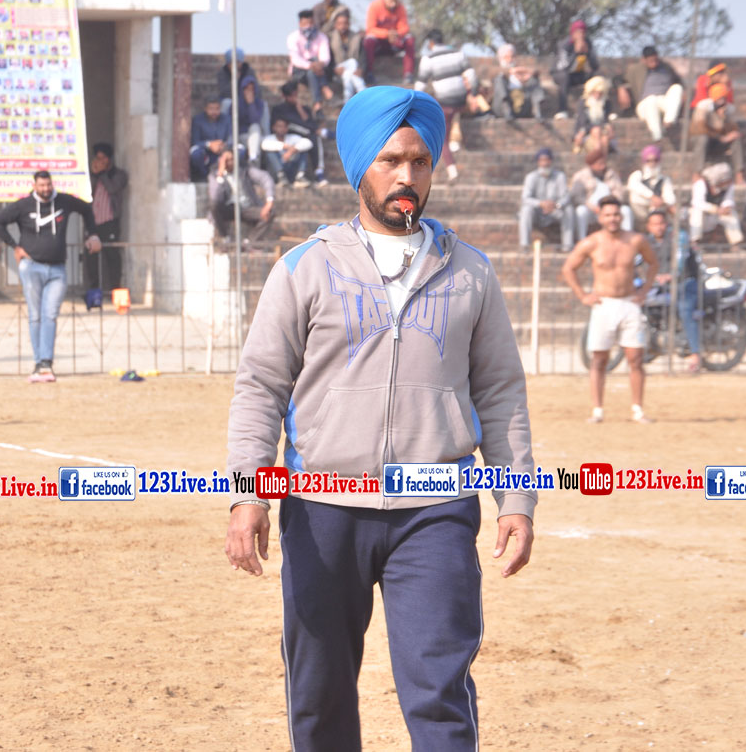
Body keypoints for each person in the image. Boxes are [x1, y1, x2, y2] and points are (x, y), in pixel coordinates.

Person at [224, 86, 536, 751]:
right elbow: (261, 386)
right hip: (322, 508)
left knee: (440, 692)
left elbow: (501, 391)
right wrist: (248, 491)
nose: (406, 176)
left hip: (437, 511)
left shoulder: (471, 272)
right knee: (319, 693)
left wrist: (517, 497)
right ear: (361, 166)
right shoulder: (304, 267)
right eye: (391, 160)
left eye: (420, 162)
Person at [0, 172, 97, 383]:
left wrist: (92, 234)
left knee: (51, 314)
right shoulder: (23, 205)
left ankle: (46, 362)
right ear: (35, 185)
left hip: (58, 269)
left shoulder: (64, 201)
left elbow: (87, 209)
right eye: (41, 185)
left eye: (48, 185)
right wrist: (14, 246)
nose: (46, 189)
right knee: (35, 315)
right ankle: (39, 361)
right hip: (31, 267)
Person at [562, 195, 658, 423]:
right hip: (603, 304)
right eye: (607, 215)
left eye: (615, 214)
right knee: (599, 359)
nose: (612, 218)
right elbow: (569, 268)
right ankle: (597, 410)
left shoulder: (635, 240)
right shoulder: (592, 242)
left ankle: (637, 409)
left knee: (636, 357)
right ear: (600, 217)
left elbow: (653, 262)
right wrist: (583, 295)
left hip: (629, 302)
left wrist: (644, 290)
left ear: (621, 216)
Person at [644, 210, 702, 373]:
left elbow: (680, 260)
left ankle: (696, 354)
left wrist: (671, 275)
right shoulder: (647, 242)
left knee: (684, 310)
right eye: (655, 224)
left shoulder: (679, 237)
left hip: (686, 282)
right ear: (648, 227)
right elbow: (638, 259)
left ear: (667, 224)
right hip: (662, 284)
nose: (659, 227)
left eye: (661, 223)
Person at [415, 28, 474, 183]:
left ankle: (452, 170)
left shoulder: (428, 58)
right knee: (453, 118)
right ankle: (456, 139)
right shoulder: (458, 54)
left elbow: (420, 85)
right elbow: (471, 75)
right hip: (461, 100)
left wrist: (414, 104)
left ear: (431, 43)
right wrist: (472, 94)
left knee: (442, 139)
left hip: (445, 102)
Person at [206, 148, 275, 248]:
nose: (230, 163)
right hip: (228, 208)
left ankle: (249, 242)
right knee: (214, 206)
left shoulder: (244, 170)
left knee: (270, 213)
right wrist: (220, 175)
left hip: (246, 208)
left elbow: (265, 178)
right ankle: (225, 237)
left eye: (232, 159)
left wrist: (269, 201)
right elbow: (215, 196)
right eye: (226, 160)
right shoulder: (214, 175)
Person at [86, 142, 127, 295]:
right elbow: (88, 191)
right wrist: (94, 174)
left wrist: (102, 173)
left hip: (109, 222)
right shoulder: (94, 176)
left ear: (109, 159)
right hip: (93, 223)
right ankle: (94, 292)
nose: (100, 162)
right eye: (98, 158)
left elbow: (112, 188)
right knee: (91, 258)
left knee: (112, 257)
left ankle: (115, 290)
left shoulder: (118, 174)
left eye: (103, 158)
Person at [569, 148, 633, 246]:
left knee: (626, 210)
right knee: (581, 211)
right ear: (591, 164)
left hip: (610, 208)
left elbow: (619, 193)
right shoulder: (581, 176)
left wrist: (610, 205)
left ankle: (627, 242)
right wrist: (592, 207)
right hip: (591, 210)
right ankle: (582, 241)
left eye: (603, 163)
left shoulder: (611, 174)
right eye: (599, 163)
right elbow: (577, 197)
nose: (602, 166)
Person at [622, 45, 684, 142]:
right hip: (645, 105)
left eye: (656, 60)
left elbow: (679, 82)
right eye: (651, 61)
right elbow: (619, 79)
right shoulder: (635, 69)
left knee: (677, 88)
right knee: (651, 100)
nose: (654, 63)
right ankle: (657, 135)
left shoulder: (666, 68)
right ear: (644, 60)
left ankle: (669, 121)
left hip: (663, 101)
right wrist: (621, 89)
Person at [272, 80, 327, 186]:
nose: (294, 98)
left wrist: (299, 109)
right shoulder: (279, 109)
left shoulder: (304, 109)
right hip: (289, 137)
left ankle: (319, 171)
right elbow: (279, 126)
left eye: (295, 95)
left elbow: (311, 124)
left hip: (306, 137)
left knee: (315, 137)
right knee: (309, 132)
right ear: (285, 96)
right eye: (291, 96)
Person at [517, 148, 570, 251]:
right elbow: (525, 198)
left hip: (555, 210)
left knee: (569, 210)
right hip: (537, 211)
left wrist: (556, 205)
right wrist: (541, 204)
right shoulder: (531, 177)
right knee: (526, 209)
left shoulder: (560, 176)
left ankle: (568, 246)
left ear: (551, 161)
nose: (544, 163)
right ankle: (524, 245)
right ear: (538, 162)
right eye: (542, 160)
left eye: (547, 160)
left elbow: (566, 197)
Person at [362, 0, 416, 84]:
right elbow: (370, 29)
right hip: (380, 42)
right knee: (368, 40)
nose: (394, 4)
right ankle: (369, 73)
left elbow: (404, 27)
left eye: (395, 0)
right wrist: (386, 34)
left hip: (394, 41)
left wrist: (396, 34)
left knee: (409, 39)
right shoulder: (374, 6)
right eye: (391, 0)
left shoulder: (400, 7)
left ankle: (408, 74)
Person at [690, 82, 744, 179]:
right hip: (703, 140)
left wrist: (724, 118)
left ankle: (739, 173)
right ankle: (697, 173)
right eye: (719, 99)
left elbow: (733, 130)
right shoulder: (703, 106)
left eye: (723, 98)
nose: (721, 101)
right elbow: (699, 129)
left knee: (736, 138)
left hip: (718, 142)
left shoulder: (728, 109)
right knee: (703, 138)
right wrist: (721, 137)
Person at [286, 9, 333, 110]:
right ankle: (325, 88)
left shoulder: (321, 37)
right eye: (305, 23)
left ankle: (317, 104)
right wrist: (310, 65)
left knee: (312, 72)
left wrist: (318, 65)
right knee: (312, 70)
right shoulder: (293, 37)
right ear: (300, 23)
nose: (308, 26)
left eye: (310, 23)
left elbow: (325, 57)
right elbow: (295, 59)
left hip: (317, 69)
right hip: (299, 70)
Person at [552, 19, 600, 118]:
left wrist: (588, 53)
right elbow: (563, 67)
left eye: (583, 33)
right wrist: (575, 53)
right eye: (578, 32)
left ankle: (594, 110)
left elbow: (595, 66)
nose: (581, 35)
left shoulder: (588, 43)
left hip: (577, 74)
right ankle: (562, 110)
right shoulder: (564, 45)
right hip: (560, 74)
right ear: (573, 33)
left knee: (596, 77)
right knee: (564, 77)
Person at [690, 162, 744, 247]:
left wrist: (726, 208)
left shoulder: (728, 186)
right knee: (696, 211)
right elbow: (697, 202)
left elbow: (728, 199)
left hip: (717, 216)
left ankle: (736, 244)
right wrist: (715, 209)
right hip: (704, 217)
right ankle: (694, 242)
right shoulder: (701, 184)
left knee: (731, 213)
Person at [626, 145, 676, 226]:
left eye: (655, 160)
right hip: (640, 212)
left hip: (658, 211)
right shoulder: (637, 175)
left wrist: (661, 203)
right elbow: (634, 186)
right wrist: (653, 198)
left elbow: (670, 198)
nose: (652, 164)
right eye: (648, 161)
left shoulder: (664, 179)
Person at [492, 43, 540, 120]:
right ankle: (506, 109)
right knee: (499, 80)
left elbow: (536, 72)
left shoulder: (520, 71)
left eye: (512, 56)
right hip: (502, 108)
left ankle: (537, 110)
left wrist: (521, 74)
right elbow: (501, 75)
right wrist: (511, 71)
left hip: (522, 105)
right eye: (506, 57)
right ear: (500, 59)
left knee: (533, 80)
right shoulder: (496, 72)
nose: (510, 60)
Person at [189, 96, 233, 181]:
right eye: (211, 109)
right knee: (195, 154)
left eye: (217, 109)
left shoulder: (226, 119)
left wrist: (224, 146)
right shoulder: (198, 120)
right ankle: (204, 177)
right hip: (206, 153)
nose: (214, 112)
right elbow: (195, 141)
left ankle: (228, 175)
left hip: (222, 151)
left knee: (239, 151)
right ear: (205, 108)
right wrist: (209, 144)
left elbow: (231, 137)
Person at [260, 118, 312, 187]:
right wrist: (284, 146)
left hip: (291, 169)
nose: (282, 129)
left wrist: (292, 150)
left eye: (284, 126)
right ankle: (281, 176)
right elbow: (264, 145)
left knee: (303, 151)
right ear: (274, 127)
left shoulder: (293, 137)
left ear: (287, 128)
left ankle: (300, 177)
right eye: (279, 126)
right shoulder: (269, 138)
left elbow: (308, 143)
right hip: (275, 173)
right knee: (270, 153)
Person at [328, 9, 366, 102]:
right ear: (335, 25)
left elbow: (363, 57)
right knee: (350, 67)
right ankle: (363, 91)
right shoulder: (330, 38)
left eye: (345, 23)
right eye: (340, 23)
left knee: (349, 70)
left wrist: (361, 69)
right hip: (338, 71)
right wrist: (334, 69)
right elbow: (328, 59)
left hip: (353, 70)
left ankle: (347, 99)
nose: (343, 26)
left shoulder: (356, 37)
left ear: (349, 24)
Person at [573, 75, 615, 156]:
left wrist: (608, 127)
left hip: (602, 133)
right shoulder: (583, 103)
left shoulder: (606, 103)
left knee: (604, 139)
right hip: (587, 133)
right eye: (595, 93)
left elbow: (605, 120)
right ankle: (598, 157)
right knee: (596, 131)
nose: (597, 96)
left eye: (600, 93)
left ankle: (601, 160)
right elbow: (583, 122)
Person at [236, 72, 270, 167]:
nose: (249, 92)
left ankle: (253, 157)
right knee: (255, 141)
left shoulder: (259, 103)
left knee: (255, 128)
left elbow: (254, 120)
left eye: (251, 89)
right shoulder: (237, 103)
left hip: (256, 134)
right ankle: (254, 162)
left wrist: (251, 104)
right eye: (246, 89)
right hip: (241, 134)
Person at [217, 48, 255, 115]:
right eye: (231, 63)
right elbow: (224, 92)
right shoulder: (222, 72)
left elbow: (255, 89)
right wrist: (235, 79)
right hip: (230, 100)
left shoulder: (248, 71)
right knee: (226, 102)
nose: (235, 65)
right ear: (228, 63)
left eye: (238, 62)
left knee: (262, 104)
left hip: (245, 99)